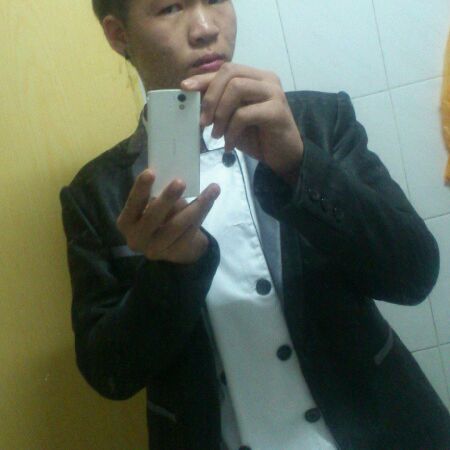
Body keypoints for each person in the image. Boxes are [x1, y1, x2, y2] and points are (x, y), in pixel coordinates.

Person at [59, 1, 450, 449]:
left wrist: (299, 166)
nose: (205, 28)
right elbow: (110, 375)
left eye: (216, 0)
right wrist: (171, 272)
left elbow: (414, 276)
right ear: (118, 34)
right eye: (170, 7)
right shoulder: (98, 192)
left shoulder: (319, 122)